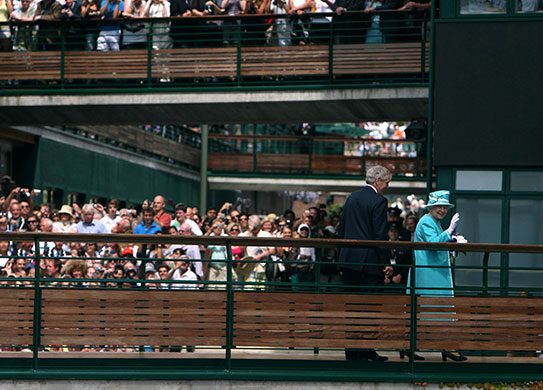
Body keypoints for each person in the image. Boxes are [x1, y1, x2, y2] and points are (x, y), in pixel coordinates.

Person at [337, 164, 392, 362]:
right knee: (370, 308)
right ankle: (366, 349)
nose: (387, 186)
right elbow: (379, 235)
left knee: (352, 308)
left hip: (349, 262)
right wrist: (386, 262)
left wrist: (340, 261)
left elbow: (341, 230)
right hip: (369, 264)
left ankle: (353, 352)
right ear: (378, 181)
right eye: (386, 182)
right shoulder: (379, 201)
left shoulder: (352, 198)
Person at [407, 189, 467, 362]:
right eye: (439, 207)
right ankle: (444, 347)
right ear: (431, 208)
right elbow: (434, 243)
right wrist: (449, 232)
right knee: (433, 309)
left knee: (439, 309)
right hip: (428, 274)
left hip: (433, 273)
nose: (442, 210)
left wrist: (453, 239)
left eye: (445, 208)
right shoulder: (426, 221)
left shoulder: (432, 221)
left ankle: (445, 346)